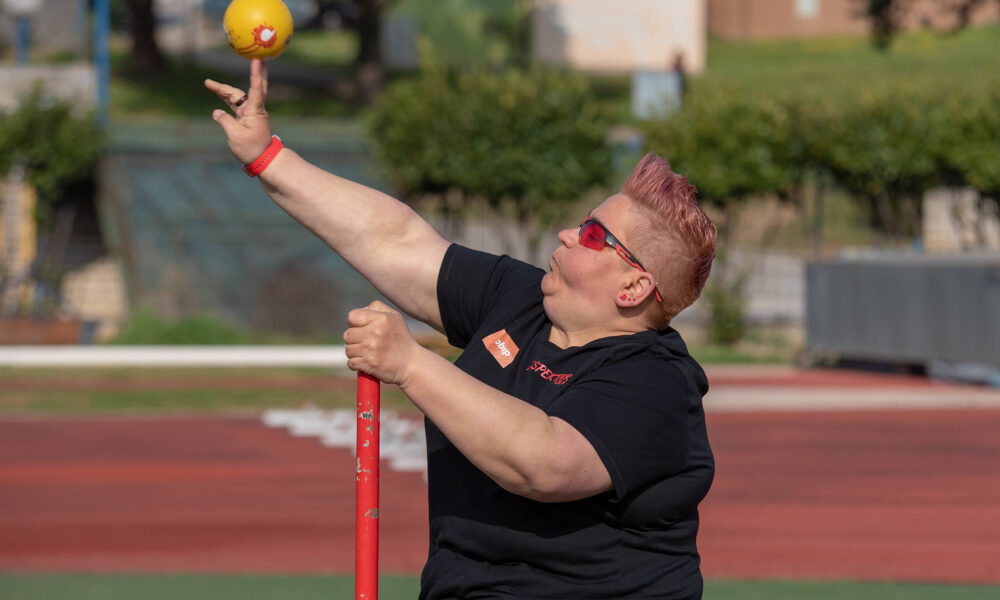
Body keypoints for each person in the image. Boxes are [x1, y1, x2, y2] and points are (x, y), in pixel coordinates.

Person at [205, 59, 718, 600]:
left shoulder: (656, 382)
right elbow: (397, 241)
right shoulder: (519, 299)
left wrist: (410, 363)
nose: (568, 233)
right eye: (583, 220)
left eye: (593, 235)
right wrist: (268, 157)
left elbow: (544, 464)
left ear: (634, 289)